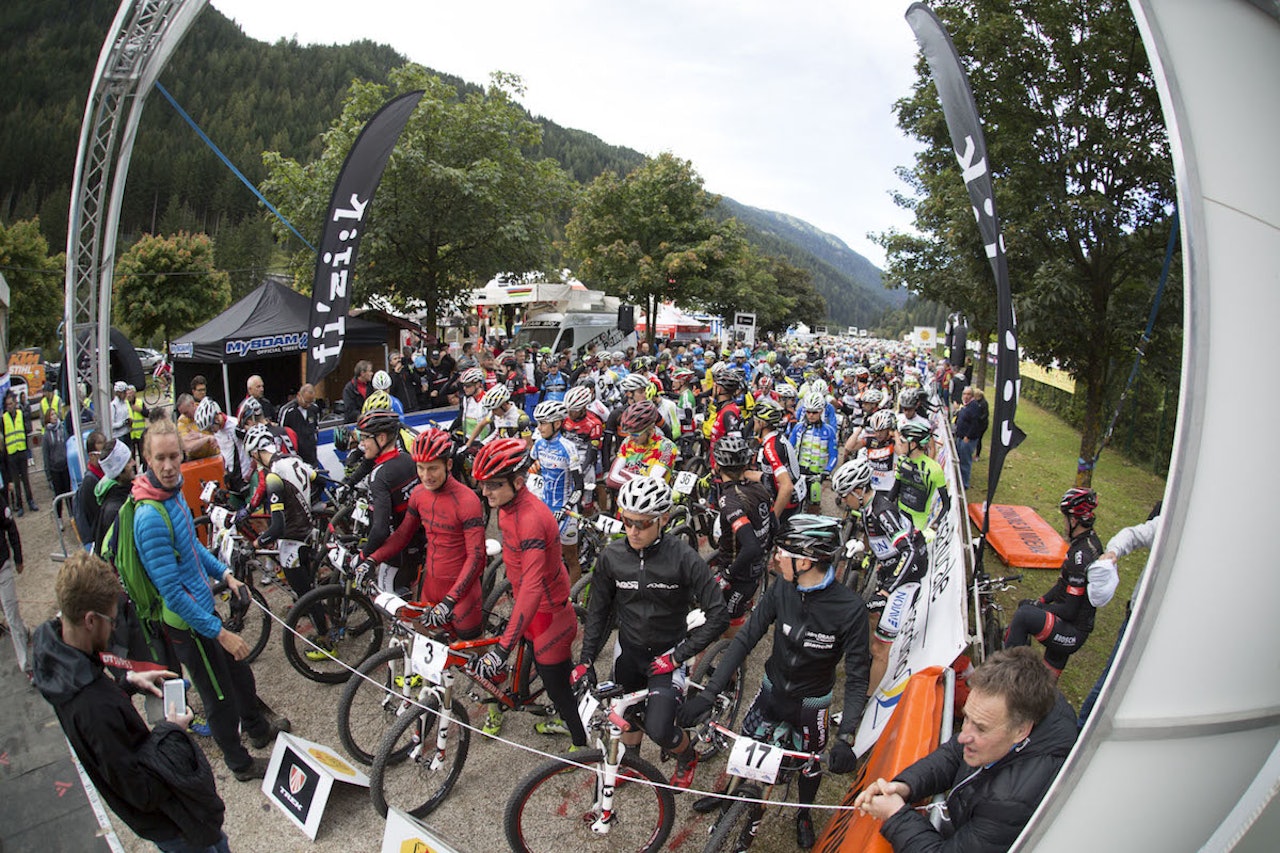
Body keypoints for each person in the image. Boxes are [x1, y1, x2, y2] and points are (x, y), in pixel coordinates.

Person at [680, 514, 870, 849]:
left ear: (807, 560)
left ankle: (804, 813)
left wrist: (847, 736)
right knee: (743, 750)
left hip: (812, 705)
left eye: (783, 552)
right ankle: (728, 798)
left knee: (809, 768)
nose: (776, 557)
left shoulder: (850, 609)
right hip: (771, 690)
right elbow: (746, 638)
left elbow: (857, 677)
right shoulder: (783, 587)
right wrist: (710, 693)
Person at [31, 552, 231, 852]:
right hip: (171, 823)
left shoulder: (62, 658)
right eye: (111, 620)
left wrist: (127, 684)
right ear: (89, 620)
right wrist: (171, 731)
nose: (114, 628)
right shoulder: (91, 706)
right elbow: (143, 791)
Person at [134, 419, 288, 781]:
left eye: (175, 456)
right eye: (161, 458)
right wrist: (219, 632)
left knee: (239, 673)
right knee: (218, 697)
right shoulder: (149, 516)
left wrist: (226, 574)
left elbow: (191, 548)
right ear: (147, 458)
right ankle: (241, 764)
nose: (170, 465)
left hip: (202, 610)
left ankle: (258, 729)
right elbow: (171, 591)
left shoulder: (169, 495)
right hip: (188, 624)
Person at [575, 476, 729, 788]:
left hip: (668, 653)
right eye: (628, 521)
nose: (633, 531)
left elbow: (719, 615)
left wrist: (678, 657)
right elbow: (599, 613)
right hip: (628, 650)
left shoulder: (684, 557)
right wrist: (586, 659)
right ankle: (632, 762)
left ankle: (687, 755)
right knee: (627, 716)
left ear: (663, 520)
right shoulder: (612, 557)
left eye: (643, 524)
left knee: (660, 730)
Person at [855, 646, 1078, 853]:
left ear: (1021, 731)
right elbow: (954, 753)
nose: (963, 735)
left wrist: (895, 816)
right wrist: (905, 786)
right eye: (967, 718)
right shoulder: (1034, 701)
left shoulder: (1010, 803)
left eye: (981, 728)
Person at [467, 438, 587, 748]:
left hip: (549, 615)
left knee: (557, 688)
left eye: (493, 485)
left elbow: (533, 587)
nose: (485, 492)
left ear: (518, 482)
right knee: (546, 670)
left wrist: (503, 649)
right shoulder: (507, 505)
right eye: (482, 484)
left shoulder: (531, 518)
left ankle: (580, 744)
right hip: (533, 610)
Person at [357, 429, 485, 638]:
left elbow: (477, 557)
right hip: (431, 585)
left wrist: (450, 600)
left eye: (433, 468)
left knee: (475, 663)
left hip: (462, 593)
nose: (426, 476)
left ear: (448, 465)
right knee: (424, 652)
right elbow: (402, 535)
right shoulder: (419, 494)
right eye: (421, 468)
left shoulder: (467, 500)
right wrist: (371, 560)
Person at [1004, 487, 1103, 680]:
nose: (1064, 524)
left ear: (1074, 520)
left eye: (1065, 519)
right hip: (1073, 626)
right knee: (1047, 685)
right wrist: (1040, 600)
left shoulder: (1080, 557)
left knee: (1024, 615)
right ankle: (1034, 695)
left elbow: (1069, 610)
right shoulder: (1089, 541)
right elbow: (1062, 586)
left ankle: (1006, 678)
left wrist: (1039, 607)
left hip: (1073, 630)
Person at [1077, 503, 1161, 727]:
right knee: (1112, 679)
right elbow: (1133, 534)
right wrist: (1113, 552)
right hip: (1138, 619)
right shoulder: (1171, 525)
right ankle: (1081, 730)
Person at [708, 436, 775, 638]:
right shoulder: (759, 488)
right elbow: (774, 526)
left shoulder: (729, 500)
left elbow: (751, 546)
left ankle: (735, 663)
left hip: (740, 573)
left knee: (731, 620)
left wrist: (728, 575)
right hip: (755, 565)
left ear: (718, 466)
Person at [352, 409, 422, 594]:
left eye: (365, 437)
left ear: (381, 439)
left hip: (397, 551)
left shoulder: (380, 475)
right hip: (418, 542)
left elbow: (381, 529)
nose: (362, 443)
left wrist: (363, 555)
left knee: (389, 602)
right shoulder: (408, 459)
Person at [528, 400, 586, 583]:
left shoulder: (568, 447)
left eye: (543, 423)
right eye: (538, 423)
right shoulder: (538, 445)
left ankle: (571, 601)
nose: (540, 427)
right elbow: (533, 470)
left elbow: (579, 486)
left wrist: (567, 507)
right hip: (545, 507)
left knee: (570, 558)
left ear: (557, 423)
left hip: (565, 510)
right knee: (542, 554)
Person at [893, 421, 948, 534]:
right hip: (899, 516)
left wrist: (935, 525)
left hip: (919, 523)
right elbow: (895, 490)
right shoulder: (902, 461)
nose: (899, 444)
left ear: (912, 445)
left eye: (903, 441)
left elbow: (946, 503)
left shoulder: (934, 469)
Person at [789, 393, 840, 513]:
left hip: (816, 476)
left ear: (821, 411)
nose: (811, 415)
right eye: (808, 412)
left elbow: (833, 455)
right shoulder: (798, 427)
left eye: (815, 412)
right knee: (792, 506)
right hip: (798, 474)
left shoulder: (829, 431)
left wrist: (827, 471)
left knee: (813, 508)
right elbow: (789, 449)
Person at [0, 486, 30, 678]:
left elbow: (10, 526)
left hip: (2, 567)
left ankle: (27, 666)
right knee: (7, 610)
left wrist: (18, 557)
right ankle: (24, 630)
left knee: (10, 614)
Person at [73, 429, 109, 549]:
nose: (106, 457)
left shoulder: (103, 476)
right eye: (102, 454)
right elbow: (97, 518)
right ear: (91, 456)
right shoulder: (90, 482)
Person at [3, 392, 37, 514]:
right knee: (16, 482)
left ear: (15, 403)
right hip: (11, 454)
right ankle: (20, 505)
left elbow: (26, 428)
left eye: (11, 403)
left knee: (26, 479)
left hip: (22, 451)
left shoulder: (20, 414)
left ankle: (30, 501)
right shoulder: (4, 418)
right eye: (8, 405)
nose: (10, 406)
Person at [277, 383, 321, 470]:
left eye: (311, 402)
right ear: (299, 396)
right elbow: (280, 434)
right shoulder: (287, 411)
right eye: (306, 402)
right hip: (295, 457)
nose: (308, 405)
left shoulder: (314, 409)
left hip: (311, 456)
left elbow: (316, 428)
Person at [953, 386, 984, 489]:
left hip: (967, 439)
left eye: (968, 394)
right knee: (959, 458)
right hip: (960, 436)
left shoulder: (974, 406)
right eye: (964, 394)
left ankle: (964, 484)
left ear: (972, 396)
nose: (965, 396)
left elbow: (975, 423)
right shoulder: (965, 405)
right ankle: (959, 480)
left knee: (965, 461)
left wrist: (968, 436)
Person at [42, 408, 72, 515]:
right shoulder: (46, 436)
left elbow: (68, 445)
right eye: (51, 415)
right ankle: (59, 517)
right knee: (58, 495)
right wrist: (48, 475)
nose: (54, 416)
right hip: (55, 469)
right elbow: (45, 456)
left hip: (65, 467)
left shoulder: (62, 430)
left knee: (69, 493)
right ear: (48, 418)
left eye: (55, 414)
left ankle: (72, 515)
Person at [174, 394, 218, 461]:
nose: (185, 416)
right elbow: (187, 446)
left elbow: (219, 436)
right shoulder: (182, 421)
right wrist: (207, 438)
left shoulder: (208, 410)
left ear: (192, 404)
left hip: (214, 454)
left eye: (186, 413)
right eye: (183, 413)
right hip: (194, 459)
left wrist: (199, 436)